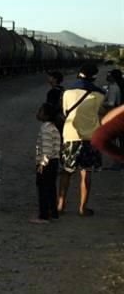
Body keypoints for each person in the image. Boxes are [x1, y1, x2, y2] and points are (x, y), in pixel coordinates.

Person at [58, 63, 105, 217]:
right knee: (86, 173)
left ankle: (61, 205)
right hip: (90, 138)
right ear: (94, 77)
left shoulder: (67, 93)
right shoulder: (99, 94)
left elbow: (65, 112)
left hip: (71, 136)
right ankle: (82, 208)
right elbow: (101, 113)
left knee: (66, 172)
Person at [31, 102, 62, 224]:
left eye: (40, 111)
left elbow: (46, 149)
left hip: (47, 162)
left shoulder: (45, 129)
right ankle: (53, 212)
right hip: (53, 161)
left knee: (43, 189)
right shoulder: (53, 127)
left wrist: (42, 164)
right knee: (51, 188)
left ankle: (44, 215)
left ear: (46, 115)